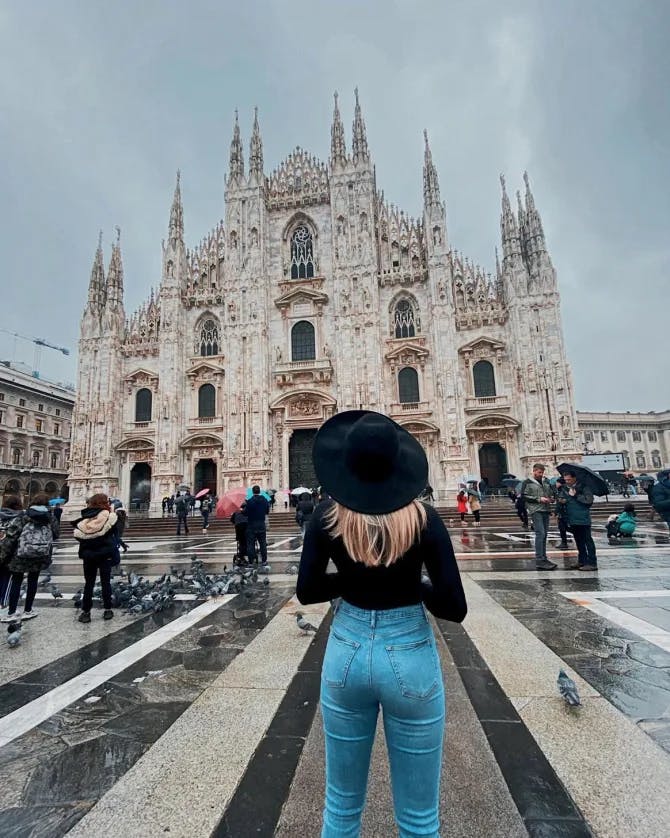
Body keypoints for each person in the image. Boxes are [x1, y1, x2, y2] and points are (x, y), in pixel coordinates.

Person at [297, 410, 467, 837]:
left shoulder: (325, 518)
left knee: (339, 810)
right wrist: (412, 583)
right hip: (410, 655)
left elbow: (308, 591)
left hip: (346, 655)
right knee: (419, 820)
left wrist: (352, 578)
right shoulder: (424, 519)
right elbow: (454, 607)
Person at [0, 493, 56, 622]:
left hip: (20, 554)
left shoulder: (23, 516)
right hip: (39, 554)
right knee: (33, 581)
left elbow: (12, 536)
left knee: (16, 581)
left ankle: (11, 612)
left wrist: (4, 555)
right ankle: (28, 610)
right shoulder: (50, 517)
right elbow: (56, 533)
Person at [73, 493, 118, 622]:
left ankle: (86, 612)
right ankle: (108, 610)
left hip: (88, 556)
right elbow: (115, 535)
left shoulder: (84, 519)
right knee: (105, 583)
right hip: (104, 555)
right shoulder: (110, 517)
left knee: (89, 584)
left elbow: (79, 536)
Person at [557, 470, 597, 570]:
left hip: (583, 518)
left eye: (569, 479)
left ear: (574, 478)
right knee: (578, 541)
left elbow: (589, 501)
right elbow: (562, 499)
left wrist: (576, 495)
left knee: (588, 540)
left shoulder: (584, 487)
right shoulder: (565, 488)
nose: (567, 482)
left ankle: (592, 563)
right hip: (571, 518)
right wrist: (561, 501)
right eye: (565, 480)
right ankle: (582, 560)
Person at [521, 464, 557, 570]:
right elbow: (524, 496)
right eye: (539, 472)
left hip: (546, 509)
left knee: (544, 534)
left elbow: (551, 492)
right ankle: (539, 559)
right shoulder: (527, 482)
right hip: (535, 510)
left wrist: (551, 498)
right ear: (534, 471)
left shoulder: (546, 482)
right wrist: (538, 499)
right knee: (540, 533)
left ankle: (544, 558)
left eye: (542, 472)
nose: (541, 474)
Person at [0, 495, 24, 612]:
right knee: (8, 580)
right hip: (11, 555)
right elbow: (14, 539)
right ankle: (4, 605)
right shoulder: (19, 518)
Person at [246, 485, 270, 564]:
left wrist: (242, 511)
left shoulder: (249, 501)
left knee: (250, 544)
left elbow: (246, 513)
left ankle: (251, 561)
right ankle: (264, 560)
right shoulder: (265, 500)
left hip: (251, 524)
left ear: (252, 492)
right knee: (263, 543)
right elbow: (267, 511)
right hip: (261, 524)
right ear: (259, 491)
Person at [554, 477, 570, 548]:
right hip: (564, 512)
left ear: (560, 483)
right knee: (563, 528)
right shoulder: (563, 489)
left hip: (563, 512)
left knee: (562, 528)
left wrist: (556, 512)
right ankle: (564, 542)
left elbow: (560, 503)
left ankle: (564, 543)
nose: (556, 484)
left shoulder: (562, 490)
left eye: (557, 482)